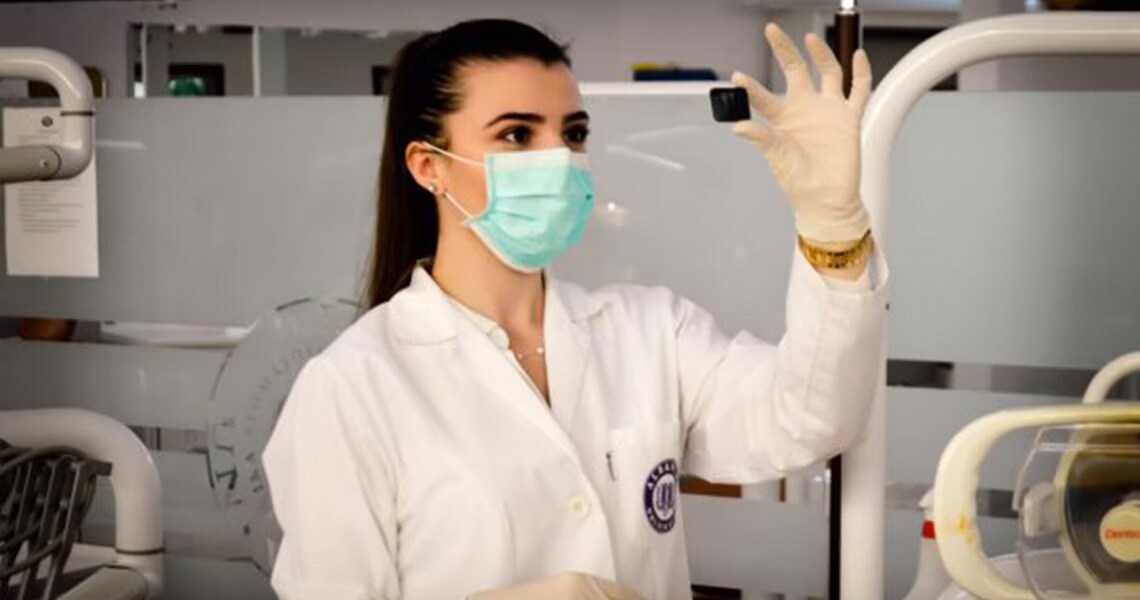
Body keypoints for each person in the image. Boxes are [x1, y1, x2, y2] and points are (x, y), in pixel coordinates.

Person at [262, 18, 887, 600]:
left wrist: (831, 228)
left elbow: (810, 418)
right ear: (429, 167)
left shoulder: (650, 331)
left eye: (574, 132)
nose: (558, 158)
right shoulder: (352, 387)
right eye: (516, 134)